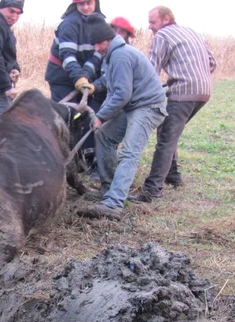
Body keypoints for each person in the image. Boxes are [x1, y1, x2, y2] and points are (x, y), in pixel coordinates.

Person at [76, 15, 167, 219]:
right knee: (104, 136)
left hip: (148, 106)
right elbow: (112, 91)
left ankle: (114, 203)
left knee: (129, 153)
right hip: (132, 106)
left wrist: (101, 116)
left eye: (99, 43)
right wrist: (102, 117)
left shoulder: (120, 56)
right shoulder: (110, 56)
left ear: (108, 39)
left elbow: (122, 94)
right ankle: (108, 188)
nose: (97, 48)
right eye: (94, 44)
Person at [132, 6, 217, 203]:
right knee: (170, 131)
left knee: (166, 139)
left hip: (183, 92)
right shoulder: (192, 32)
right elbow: (212, 63)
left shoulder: (163, 36)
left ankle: (152, 190)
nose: (150, 27)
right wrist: (197, 77)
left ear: (166, 19)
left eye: (153, 22)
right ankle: (173, 175)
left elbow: (150, 68)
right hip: (204, 91)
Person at [44, 0, 106, 170]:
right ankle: (61, 161)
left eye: (89, 3)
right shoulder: (69, 24)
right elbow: (67, 56)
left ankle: (87, 158)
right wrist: (79, 78)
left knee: (85, 117)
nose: (85, 7)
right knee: (65, 118)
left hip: (84, 78)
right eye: (81, 4)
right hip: (62, 78)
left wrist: (84, 77)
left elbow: (97, 56)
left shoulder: (99, 23)